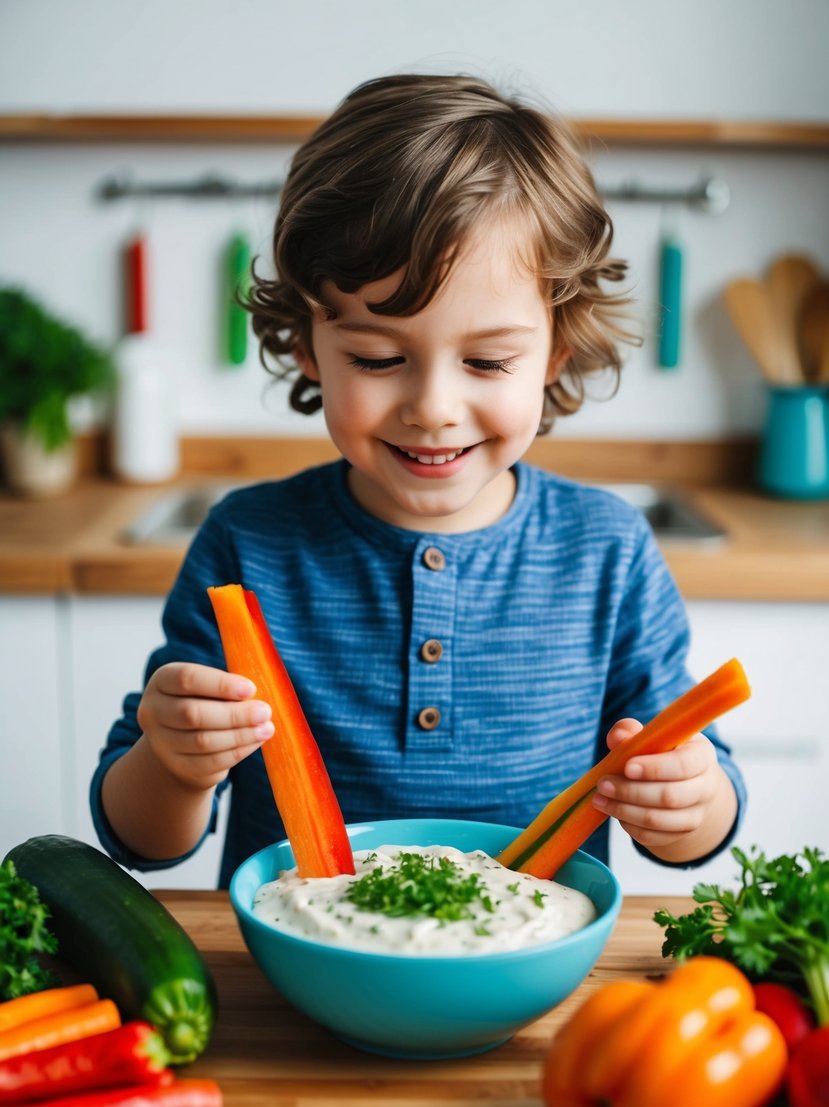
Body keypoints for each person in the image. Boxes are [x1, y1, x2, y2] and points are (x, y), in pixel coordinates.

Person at [92, 73, 745, 888]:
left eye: (486, 361)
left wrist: (692, 800)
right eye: (376, 358)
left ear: (555, 353)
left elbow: (689, 824)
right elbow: (140, 839)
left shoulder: (606, 550)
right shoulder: (247, 543)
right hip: (303, 980)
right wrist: (174, 763)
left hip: (529, 986)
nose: (434, 408)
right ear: (306, 344)